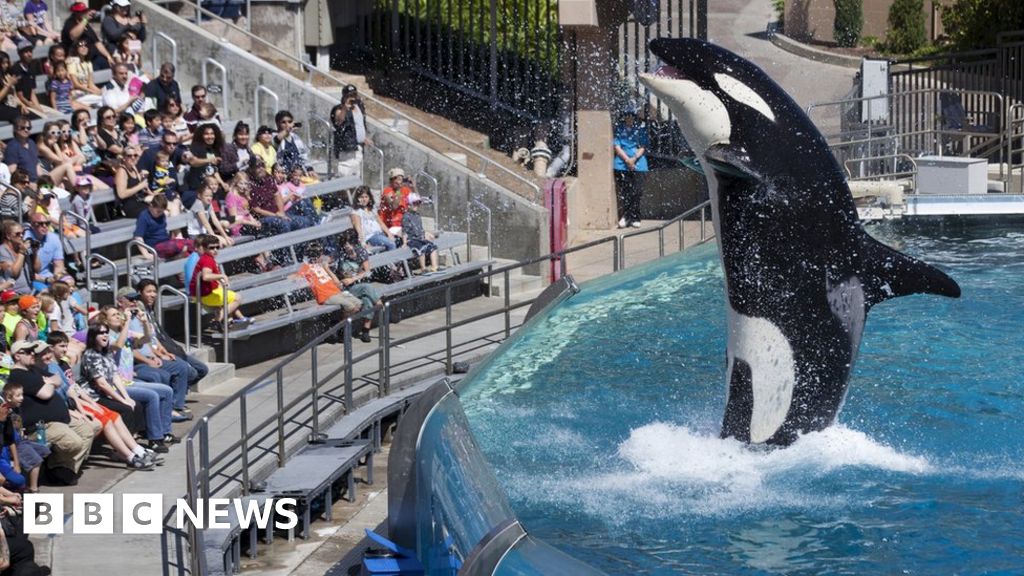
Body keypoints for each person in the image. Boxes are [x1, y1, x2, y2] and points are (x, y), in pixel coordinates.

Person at [39, 336, 160, 469]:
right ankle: (129, 457)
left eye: (66, 346)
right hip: (71, 406)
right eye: (61, 346)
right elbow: (66, 395)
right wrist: (82, 408)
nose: (65, 349)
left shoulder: (61, 365)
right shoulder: (48, 369)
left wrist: (92, 403)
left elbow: (72, 388)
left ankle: (137, 450)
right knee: (107, 421)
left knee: (115, 416)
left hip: (79, 401)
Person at [8, 339, 96, 485]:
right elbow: (46, 394)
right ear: (17, 356)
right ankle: (56, 468)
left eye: (33, 351)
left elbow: (57, 379)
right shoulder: (18, 375)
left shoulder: (33, 370)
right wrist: (49, 383)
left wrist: (50, 382)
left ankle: (63, 470)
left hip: (59, 420)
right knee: (74, 442)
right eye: (29, 352)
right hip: (41, 426)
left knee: (89, 429)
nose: (32, 354)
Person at [80, 324, 175, 453]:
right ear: (93, 337)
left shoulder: (106, 352)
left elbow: (115, 376)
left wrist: (126, 397)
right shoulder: (90, 355)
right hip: (95, 396)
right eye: (101, 333)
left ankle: (140, 442)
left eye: (106, 332)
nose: (105, 335)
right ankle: (131, 448)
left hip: (109, 391)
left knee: (135, 404)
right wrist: (122, 400)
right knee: (126, 408)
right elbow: (102, 384)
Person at [134, 279, 209, 389]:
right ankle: (177, 395)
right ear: (140, 293)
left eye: (154, 291)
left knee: (202, 369)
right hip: (155, 352)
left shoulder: (150, 309)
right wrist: (160, 353)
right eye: (148, 292)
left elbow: (157, 335)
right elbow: (147, 339)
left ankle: (178, 391)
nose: (153, 295)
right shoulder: (139, 312)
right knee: (190, 372)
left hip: (169, 348)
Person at [0, 378, 52, 491]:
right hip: (13, 446)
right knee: (36, 460)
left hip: (21, 441)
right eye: (18, 395)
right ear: (8, 398)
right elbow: (10, 439)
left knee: (44, 450)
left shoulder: (15, 410)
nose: (22, 398)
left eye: (22, 395)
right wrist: (17, 463)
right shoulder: (6, 413)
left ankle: (31, 479)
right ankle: (33, 488)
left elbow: (17, 431)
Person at [292, 241, 361, 321]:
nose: (323, 256)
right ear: (318, 256)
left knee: (358, 304)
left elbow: (337, 283)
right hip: (326, 296)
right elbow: (294, 278)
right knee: (351, 307)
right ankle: (342, 328)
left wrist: (327, 268)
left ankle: (341, 325)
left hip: (337, 292)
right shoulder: (306, 268)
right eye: (322, 254)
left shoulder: (322, 265)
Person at [190, 235, 250, 327]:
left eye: (217, 247)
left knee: (228, 296)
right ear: (205, 249)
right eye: (211, 248)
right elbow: (206, 276)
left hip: (201, 294)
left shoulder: (207, 258)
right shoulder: (207, 260)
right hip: (205, 295)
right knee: (238, 298)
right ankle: (217, 320)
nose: (215, 250)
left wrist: (220, 281)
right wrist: (222, 276)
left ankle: (231, 321)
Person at [337, 229, 383, 343]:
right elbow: (336, 272)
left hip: (358, 285)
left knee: (367, 301)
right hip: (346, 288)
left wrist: (353, 278)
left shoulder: (361, 252)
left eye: (348, 243)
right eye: (344, 243)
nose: (346, 246)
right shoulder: (340, 255)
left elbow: (368, 271)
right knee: (367, 288)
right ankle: (380, 304)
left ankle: (365, 331)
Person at [613, 108, 649, 229]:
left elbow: (643, 146)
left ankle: (633, 216)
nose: (629, 118)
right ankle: (628, 216)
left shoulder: (641, 129)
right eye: (627, 116)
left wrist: (633, 159)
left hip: (639, 165)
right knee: (625, 192)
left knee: (637, 192)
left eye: (631, 116)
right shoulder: (619, 129)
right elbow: (617, 146)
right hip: (621, 164)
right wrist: (627, 160)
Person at [133, 193, 192, 260]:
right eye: (158, 211)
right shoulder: (144, 217)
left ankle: (181, 254)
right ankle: (180, 254)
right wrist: (146, 254)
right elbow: (138, 237)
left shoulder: (162, 215)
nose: (160, 214)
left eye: (162, 211)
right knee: (177, 246)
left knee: (194, 243)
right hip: (155, 246)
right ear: (151, 206)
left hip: (166, 242)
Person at [330, 84, 371, 178]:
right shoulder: (339, 109)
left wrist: (364, 137)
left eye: (354, 95)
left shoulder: (359, 107)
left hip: (358, 148)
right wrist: (345, 107)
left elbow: (359, 125)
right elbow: (339, 122)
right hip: (346, 150)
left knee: (357, 177)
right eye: (349, 96)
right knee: (344, 176)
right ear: (344, 97)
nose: (352, 98)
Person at [62, 1, 113, 68]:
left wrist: (108, 56)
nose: (84, 13)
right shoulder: (70, 23)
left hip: (94, 56)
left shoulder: (86, 24)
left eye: (85, 11)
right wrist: (85, 20)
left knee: (108, 64)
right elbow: (73, 35)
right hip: (79, 58)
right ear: (75, 13)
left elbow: (97, 42)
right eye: (81, 11)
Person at [23, 212, 65, 290]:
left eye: (47, 223)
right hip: (30, 279)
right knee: (49, 294)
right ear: (32, 225)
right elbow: (27, 272)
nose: (45, 226)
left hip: (48, 276)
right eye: (40, 223)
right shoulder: (25, 239)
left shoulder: (54, 238)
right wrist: (46, 280)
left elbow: (59, 266)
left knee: (70, 289)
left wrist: (57, 277)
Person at [402, 193, 441, 274]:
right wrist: (404, 242)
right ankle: (423, 269)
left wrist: (426, 234)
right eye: (415, 203)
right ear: (409, 205)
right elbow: (404, 231)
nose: (417, 205)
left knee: (433, 247)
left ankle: (435, 266)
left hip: (420, 238)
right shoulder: (406, 216)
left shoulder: (417, 215)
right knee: (421, 248)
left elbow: (420, 228)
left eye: (418, 203)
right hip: (412, 240)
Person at [188, 177, 233, 247]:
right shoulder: (198, 204)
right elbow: (206, 223)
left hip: (204, 233)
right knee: (221, 244)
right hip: (195, 235)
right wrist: (214, 238)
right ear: (199, 196)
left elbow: (215, 221)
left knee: (228, 242)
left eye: (211, 196)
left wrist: (225, 236)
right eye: (206, 196)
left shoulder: (209, 204)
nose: (209, 198)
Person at [350, 186, 396, 251]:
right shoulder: (356, 212)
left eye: (366, 197)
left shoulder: (372, 209)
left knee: (396, 240)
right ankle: (394, 260)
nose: (364, 199)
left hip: (380, 234)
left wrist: (389, 233)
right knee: (391, 244)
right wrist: (363, 242)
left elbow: (381, 223)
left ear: (369, 198)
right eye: (361, 197)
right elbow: (358, 228)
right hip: (371, 237)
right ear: (357, 198)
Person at [273, 110, 313, 178]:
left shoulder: (295, 137)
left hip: (298, 175)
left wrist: (310, 169)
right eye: (283, 122)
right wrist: (287, 130)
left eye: (289, 122)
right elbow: (276, 141)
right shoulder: (274, 136)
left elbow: (303, 156)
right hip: (283, 176)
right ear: (277, 124)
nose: (287, 125)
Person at [0, 221, 31, 296]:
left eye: (22, 233)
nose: (21, 236)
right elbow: (14, 273)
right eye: (17, 234)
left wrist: (35, 253)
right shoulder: (2, 250)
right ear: (8, 236)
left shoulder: (22, 248)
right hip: (13, 294)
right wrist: (22, 252)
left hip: (28, 291)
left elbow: (36, 269)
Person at [379, 167, 411, 236]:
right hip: (390, 226)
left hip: (402, 224)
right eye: (398, 179)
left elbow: (417, 202)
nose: (400, 182)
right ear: (392, 181)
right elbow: (394, 206)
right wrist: (398, 191)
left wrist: (413, 186)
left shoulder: (405, 190)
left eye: (401, 179)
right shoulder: (387, 191)